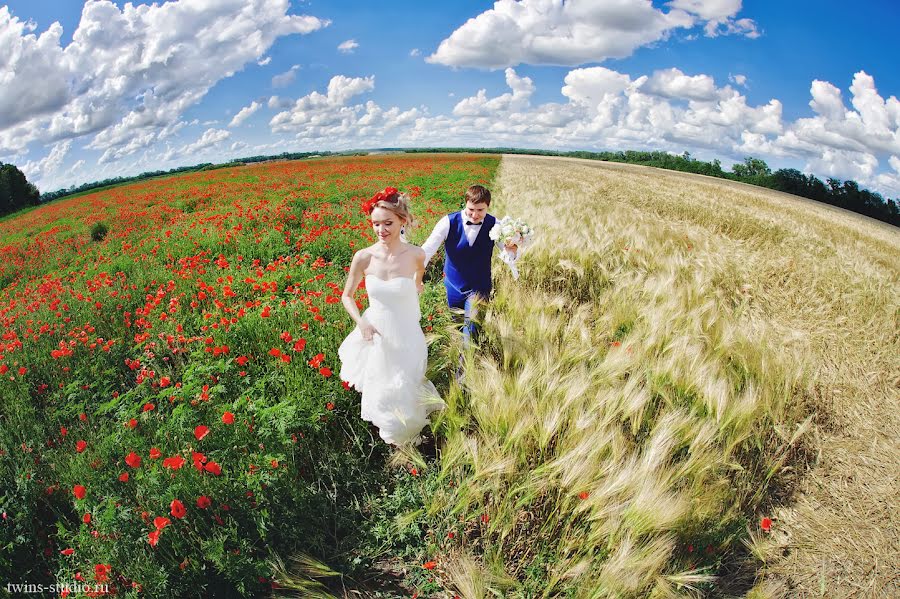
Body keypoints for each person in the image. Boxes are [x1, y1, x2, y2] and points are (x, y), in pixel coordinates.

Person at [338, 187, 444, 446]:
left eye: (388, 223)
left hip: (407, 333)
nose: (381, 230)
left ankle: (410, 435)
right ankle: (391, 436)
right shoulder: (363, 257)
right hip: (377, 333)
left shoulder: (416, 255)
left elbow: (419, 281)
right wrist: (361, 323)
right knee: (383, 387)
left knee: (405, 385)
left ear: (402, 221)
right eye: (376, 224)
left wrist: (413, 289)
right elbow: (347, 296)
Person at [421, 185, 517, 345]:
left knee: (470, 333)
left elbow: (507, 257)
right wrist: (415, 274)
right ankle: (463, 355)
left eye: (480, 210)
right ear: (465, 204)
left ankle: (465, 367)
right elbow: (427, 250)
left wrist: (511, 249)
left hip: (479, 287)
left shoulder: (496, 225)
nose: (475, 214)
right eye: (471, 209)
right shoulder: (448, 222)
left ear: (488, 206)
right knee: (459, 327)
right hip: (453, 286)